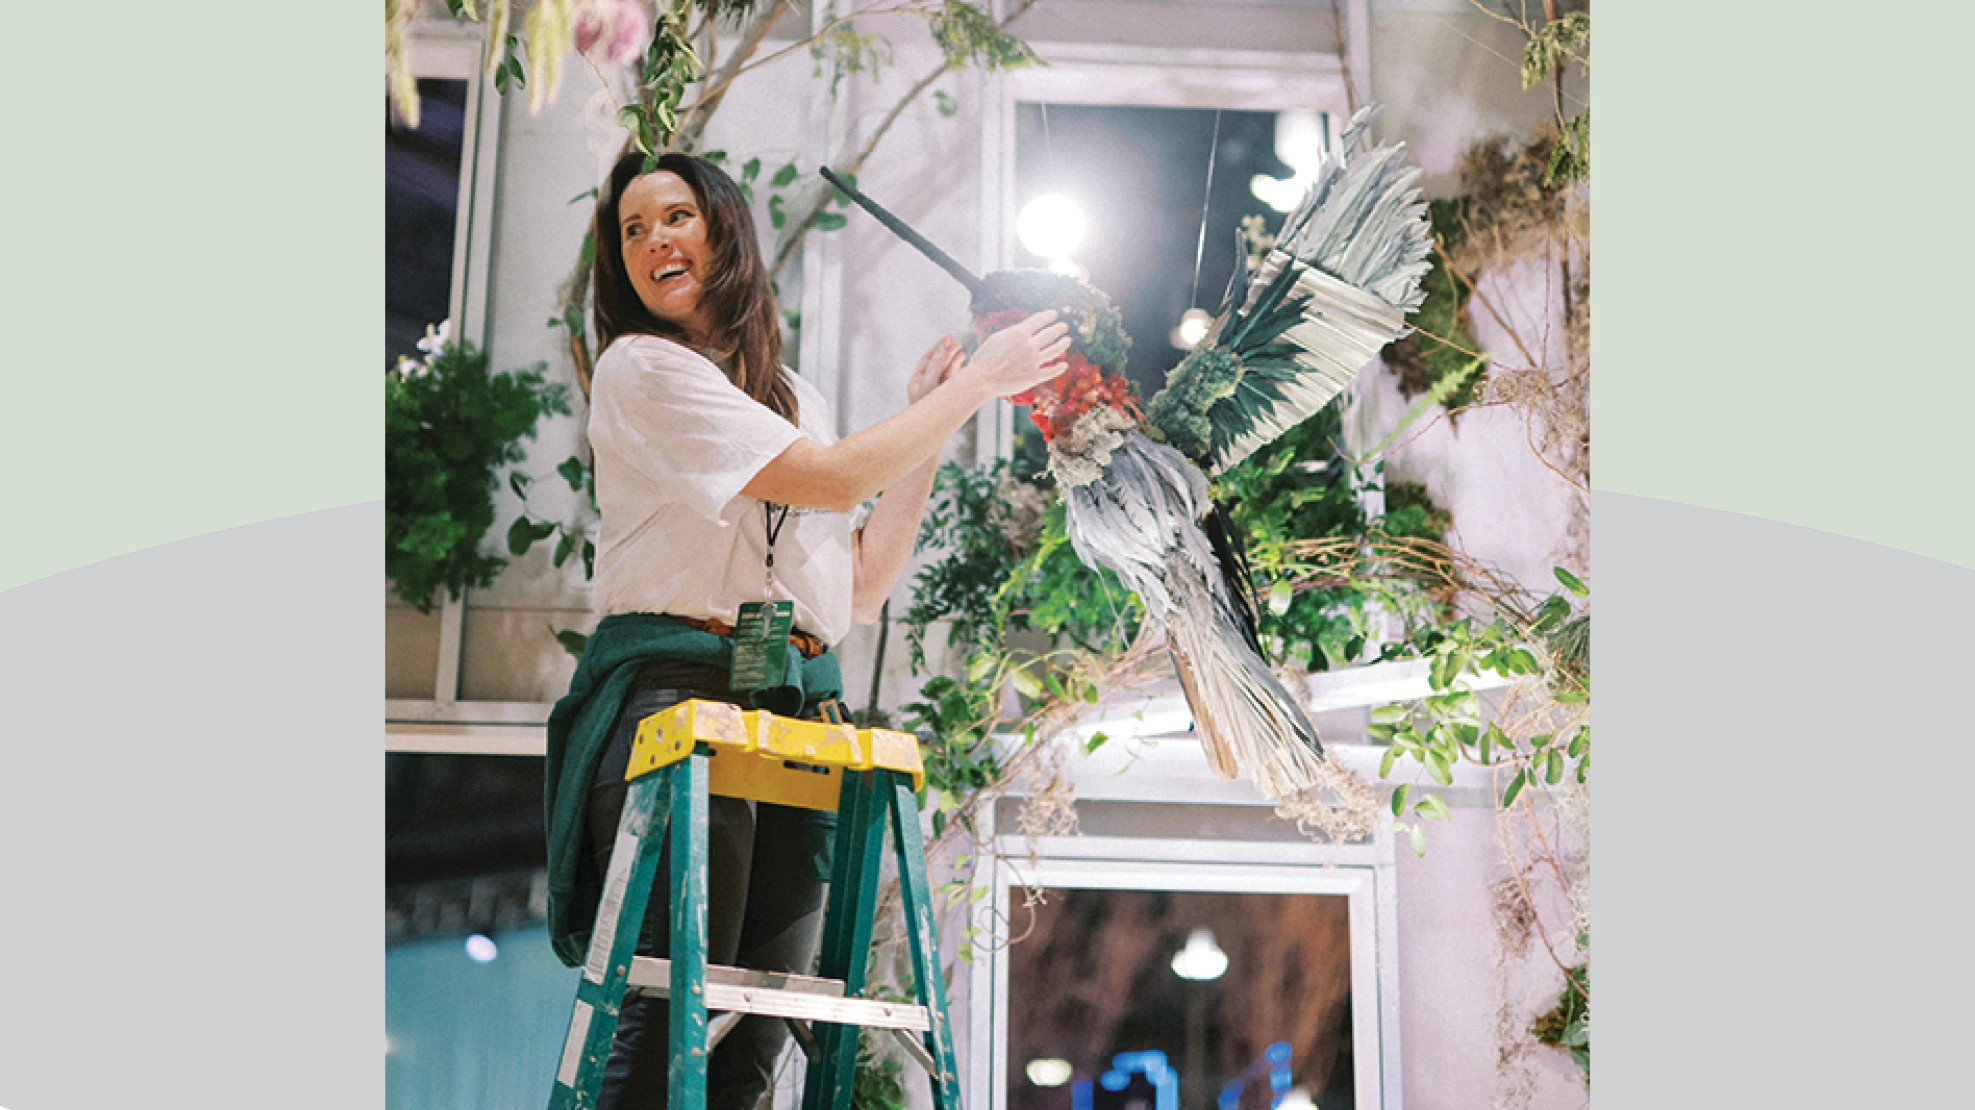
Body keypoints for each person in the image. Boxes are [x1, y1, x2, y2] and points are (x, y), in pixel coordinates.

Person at [542, 149, 1071, 1110]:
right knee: (666, 1027)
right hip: (678, 699)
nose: (653, 241)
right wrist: (971, 390)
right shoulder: (640, 368)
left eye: (675, 217)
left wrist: (930, 424)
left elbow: (860, 586)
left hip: (793, 714)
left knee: (753, 1048)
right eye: (632, 230)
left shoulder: (791, 393)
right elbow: (830, 480)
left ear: (724, 229)